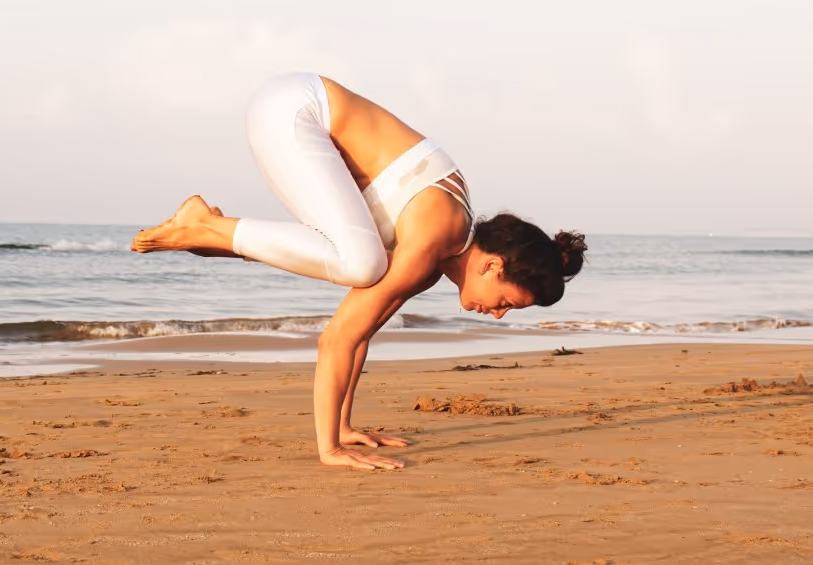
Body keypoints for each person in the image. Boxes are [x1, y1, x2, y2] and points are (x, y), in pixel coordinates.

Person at [131, 72, 586, 471]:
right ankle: (207, 226)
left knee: (363, 264)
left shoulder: (435, 256)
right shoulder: (433, 237)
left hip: (292, 113)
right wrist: (328, 448)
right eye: (506, 301)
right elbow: (337, 337)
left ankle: (209, 234)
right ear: (493, 264)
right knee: (363, 263)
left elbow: (362, 332)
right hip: (295, 109)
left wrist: (345, 426)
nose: (499, 314)